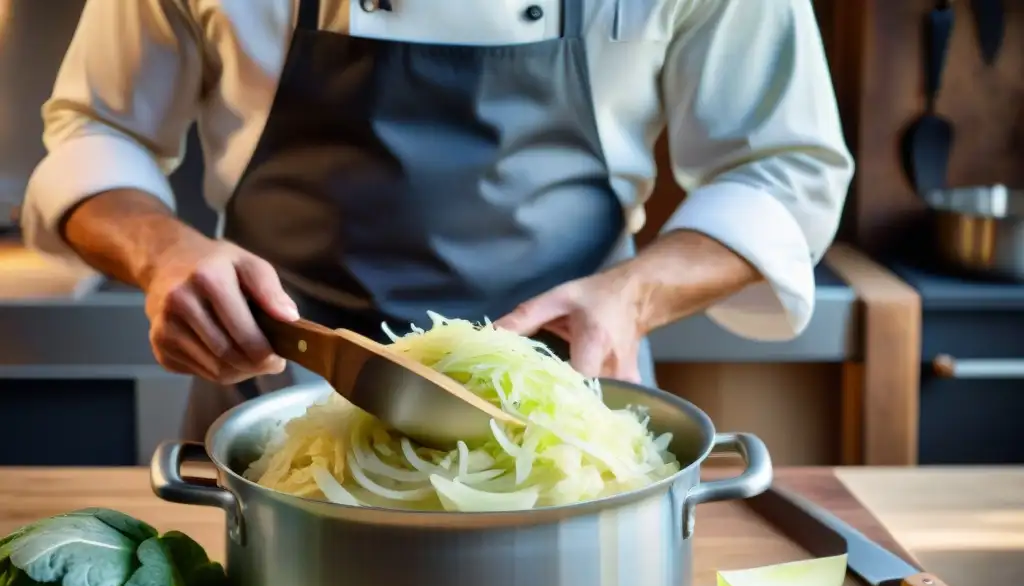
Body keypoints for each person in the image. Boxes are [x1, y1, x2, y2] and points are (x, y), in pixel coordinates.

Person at [22, 0, 853, 441]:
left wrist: (633, 296)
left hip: (563, 414)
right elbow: (99, 131)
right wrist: (164, 252)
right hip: (273, 395)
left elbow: (785, 168)